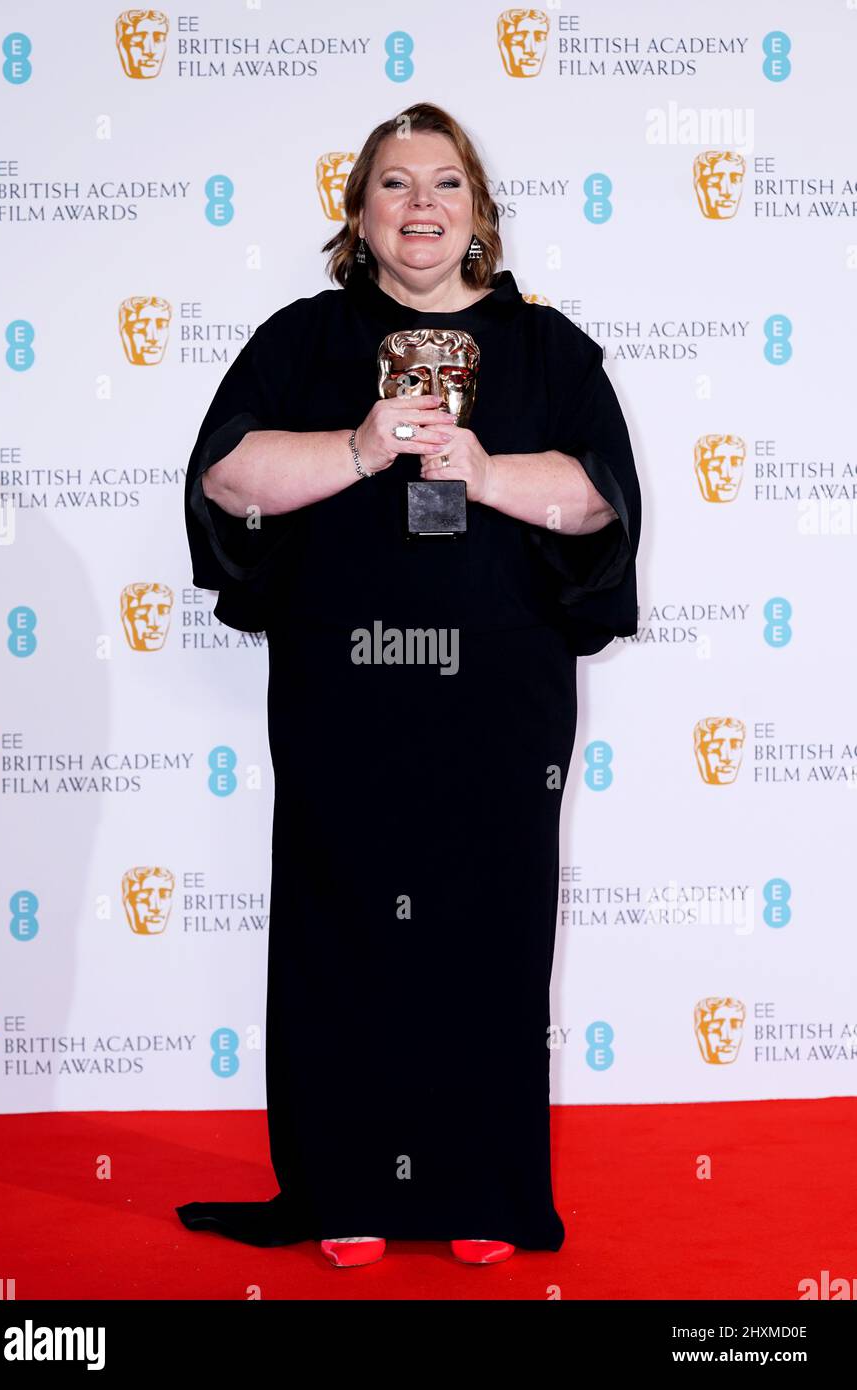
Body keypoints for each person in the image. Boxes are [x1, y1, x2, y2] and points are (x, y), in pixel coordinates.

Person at [176, 102, 641, 1268]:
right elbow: (226, 470)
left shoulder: (548, 347)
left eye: (444, 183)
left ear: (478, 213)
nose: (420, 204)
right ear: (361, 215)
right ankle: (345, 1182)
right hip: (347, 691)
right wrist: (358, 447)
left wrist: (481, 470)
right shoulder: (303, 340)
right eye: (394, 184)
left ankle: (482, 1184)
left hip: (501, 698)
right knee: (344, 927)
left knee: (490, 929)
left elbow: (597, 500)